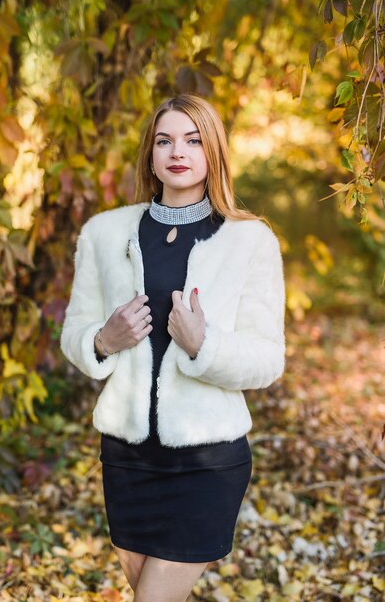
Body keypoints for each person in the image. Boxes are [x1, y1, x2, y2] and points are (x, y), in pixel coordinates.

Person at [60, 94, 286, 602]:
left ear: (213, 152)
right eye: (165, 140)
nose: (177, 151)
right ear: (151, 152)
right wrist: (102, 339)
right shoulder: (104, 233)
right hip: (126, 458)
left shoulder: (250, 241)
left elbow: (268, 359)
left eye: (192, 140)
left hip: (208, 460)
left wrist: (202, 344)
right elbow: (75, 333)